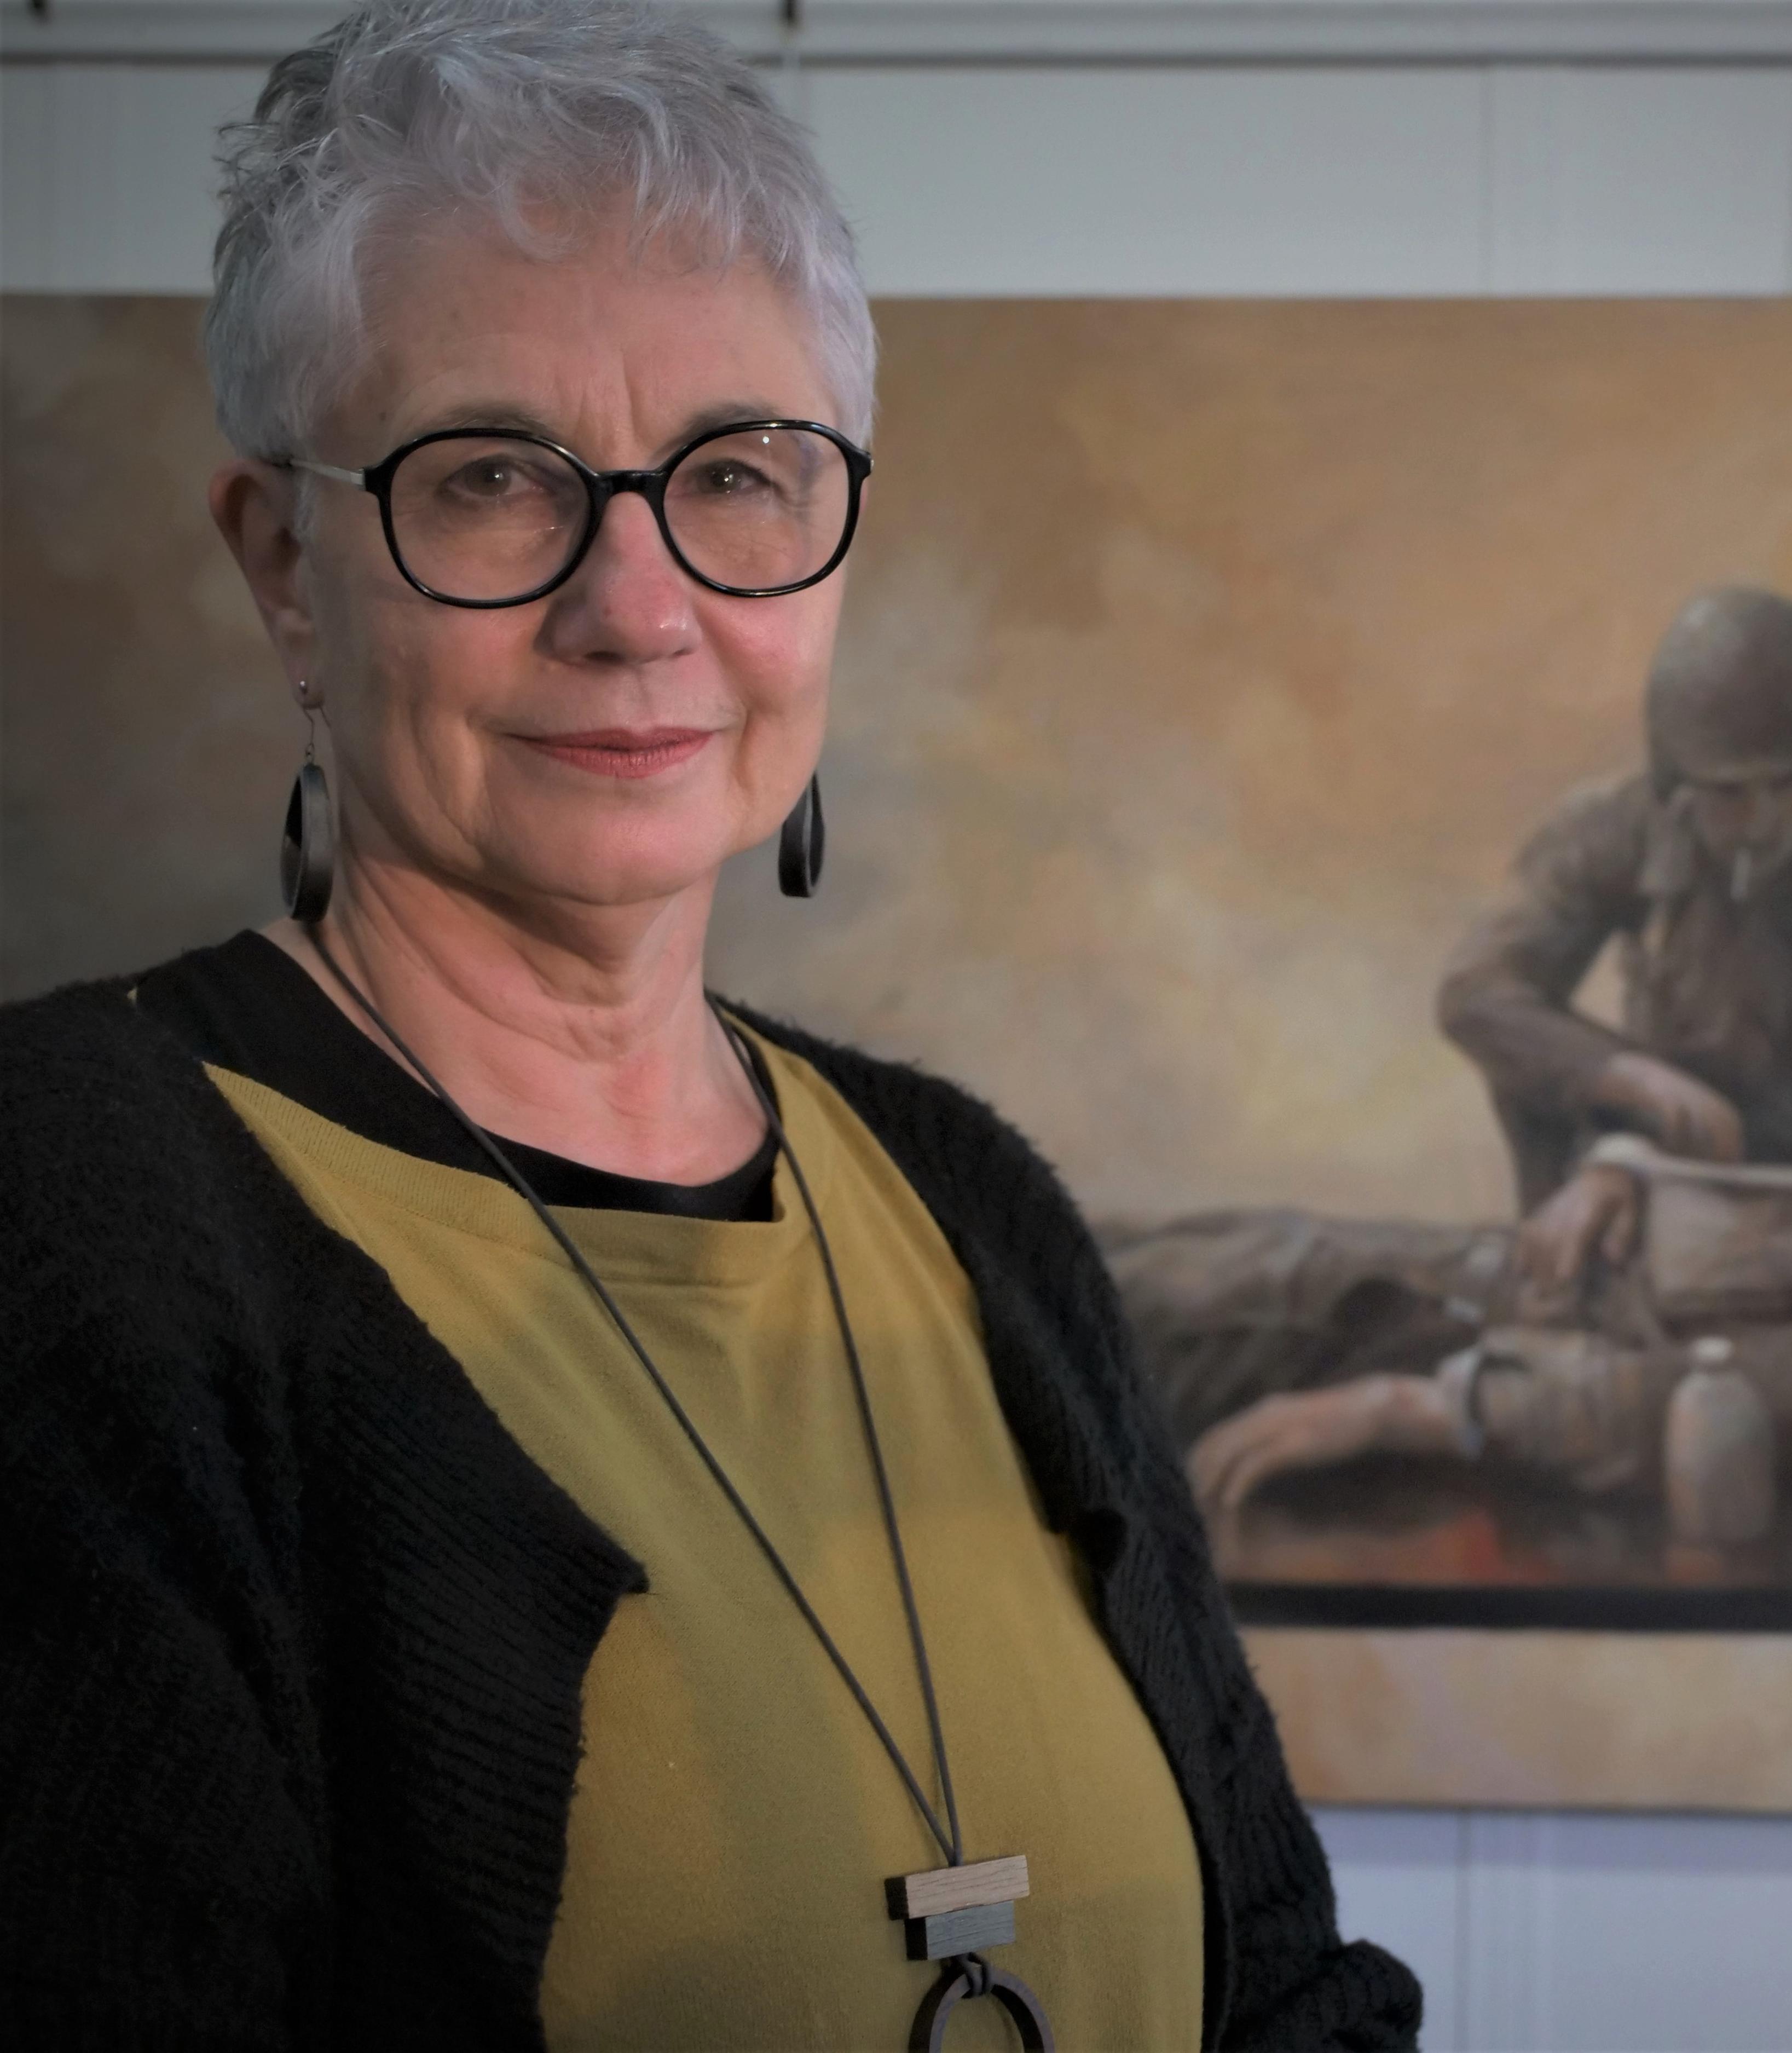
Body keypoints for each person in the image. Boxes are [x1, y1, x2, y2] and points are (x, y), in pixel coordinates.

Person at [0, 4, 1417, 2047]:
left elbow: (1281, 1989)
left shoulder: (966, 1202)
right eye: (492, 477)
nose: (638, 604)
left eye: (739, 472)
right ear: (287, 570)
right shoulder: (73, 1218)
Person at [1435, 586, 1792, 1327]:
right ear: (1678, 781)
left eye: (1788, 783)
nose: (1761, 820)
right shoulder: (1616, 827)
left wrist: (1765, 1232)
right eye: (1729, 791)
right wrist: (1632, 1081)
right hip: (1619, 1169)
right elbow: (1475, 990)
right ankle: (1561, 1280)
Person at [1140, 1141, 1792, 1517]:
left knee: (1120, 1296)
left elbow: (1676, 1398)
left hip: (1414, 1332)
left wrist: (1393, 1407)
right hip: (1439, 1275)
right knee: (1168, 1255)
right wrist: (1618, 1169)